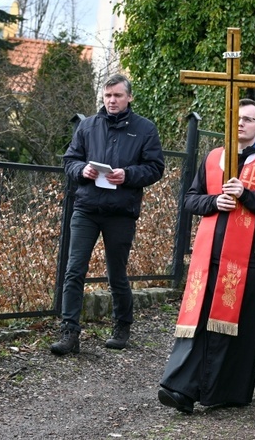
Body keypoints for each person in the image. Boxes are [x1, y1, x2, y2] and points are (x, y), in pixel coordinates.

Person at [158, 99, 255, 412]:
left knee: (234, 327)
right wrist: (215, 202)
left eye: (248, 119)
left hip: (248, 260)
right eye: (237, 118)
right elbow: (191, 199)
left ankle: (224, 391)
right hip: (209, 256)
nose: (241, 124)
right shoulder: (214, 157)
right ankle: (180, 387)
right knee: (199, 321)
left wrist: (247, 196)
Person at [51, 74, 165, 355]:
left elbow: (155, 168)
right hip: (86, 208)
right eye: (107, 96)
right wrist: (82, 171)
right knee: (74, 270)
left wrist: (127, 175)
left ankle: (122, 326)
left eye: (117, 95)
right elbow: (69, 160)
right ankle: (69, 333)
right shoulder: (88, 126)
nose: (112, 101)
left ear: (129, 97)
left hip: (121, 212)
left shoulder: (145, 129)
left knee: (117, 273)